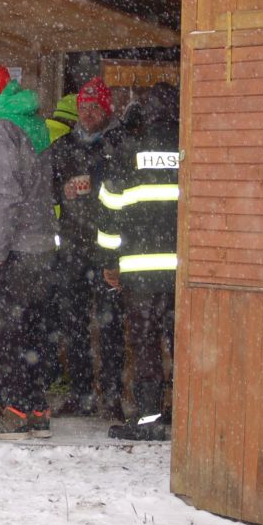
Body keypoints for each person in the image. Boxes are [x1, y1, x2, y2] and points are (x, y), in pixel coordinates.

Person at [0, 63, 58, 441]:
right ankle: (36, 409)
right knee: (33, 328)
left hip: (17, 245)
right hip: (42, 244)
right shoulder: (34, 121)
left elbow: (7, 194)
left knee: (13, 332)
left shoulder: (1, 127)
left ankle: (15, 410)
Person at [101, 83, 180, 441]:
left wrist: (109, 261)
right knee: (184, 341)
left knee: (146, 342)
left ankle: (150, 417)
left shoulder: (127, 148)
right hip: (184, 270)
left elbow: (110, 207)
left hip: (140, 269)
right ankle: (187, 412)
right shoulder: (192, 148)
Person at [48, 77, 124, 417]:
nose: (88, 113)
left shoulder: (117, 145)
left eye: (94, 108)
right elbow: (46, 187)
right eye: (83, 107)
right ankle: (81, 395)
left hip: (107, 248)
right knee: (74, 323)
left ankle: (112, 396)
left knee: (111, 325)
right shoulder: (64, 146)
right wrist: (62, 191)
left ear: (106, 111)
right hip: (73, 247)